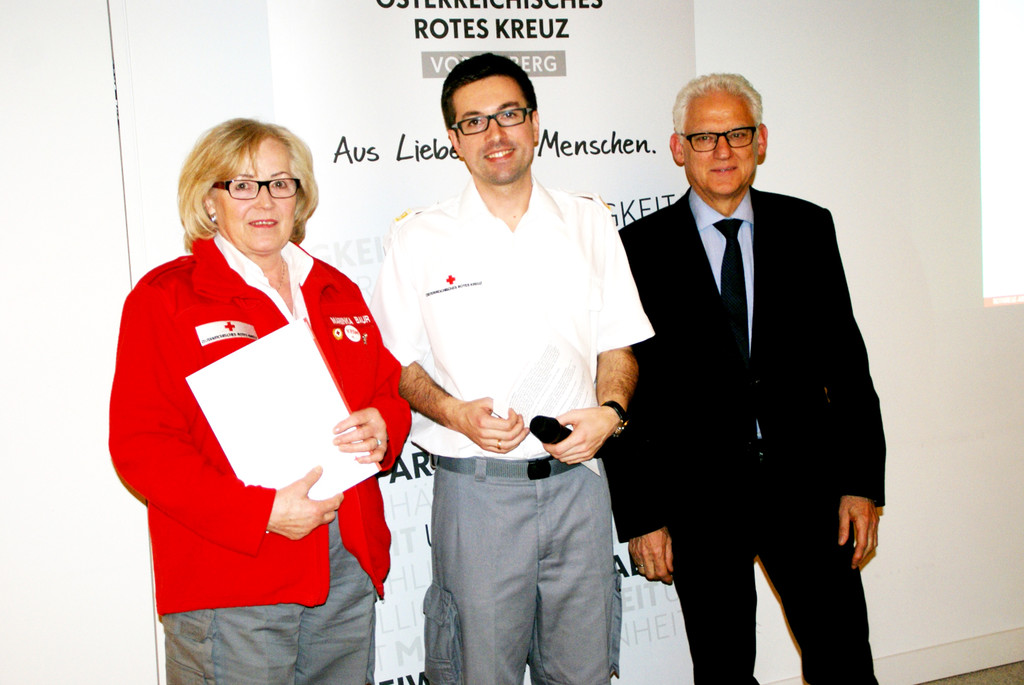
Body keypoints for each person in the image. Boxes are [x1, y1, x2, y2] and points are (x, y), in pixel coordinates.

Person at [369, 53, 653, 685]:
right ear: (454, 140)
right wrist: (453, 413)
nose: (494, 134)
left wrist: (610, 413)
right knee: (480, 673)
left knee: (582, 674)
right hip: (478, 495)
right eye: (474, 122)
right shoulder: (419, 238)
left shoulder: (589, 220)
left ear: (535, 122)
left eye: (508, 115)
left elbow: (618, 345)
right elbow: (394, 362)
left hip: (580, 487)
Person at [603, 73, 886, 684]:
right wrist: (643, 515)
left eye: (736, 134)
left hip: (809, 490)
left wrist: (861, 483)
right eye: (704, 138)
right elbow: (624, 390)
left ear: (761, 141)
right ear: (678, 149)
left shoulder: (808, 228)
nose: (722, 151)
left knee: (843, 659)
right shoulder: (635, 249)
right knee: (723, 670)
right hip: (699, 499)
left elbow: (847, 363)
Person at [109, 118, 411, 685]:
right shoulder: (165, 298)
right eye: (242, 185)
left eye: (280, 183)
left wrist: (383, 423)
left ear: (300, 196)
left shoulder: (336, 289)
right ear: (209, 199)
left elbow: (386, 391)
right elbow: (142, 447)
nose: (265, 200)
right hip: (234, 574)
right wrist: (259, 514)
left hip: (344, 563)